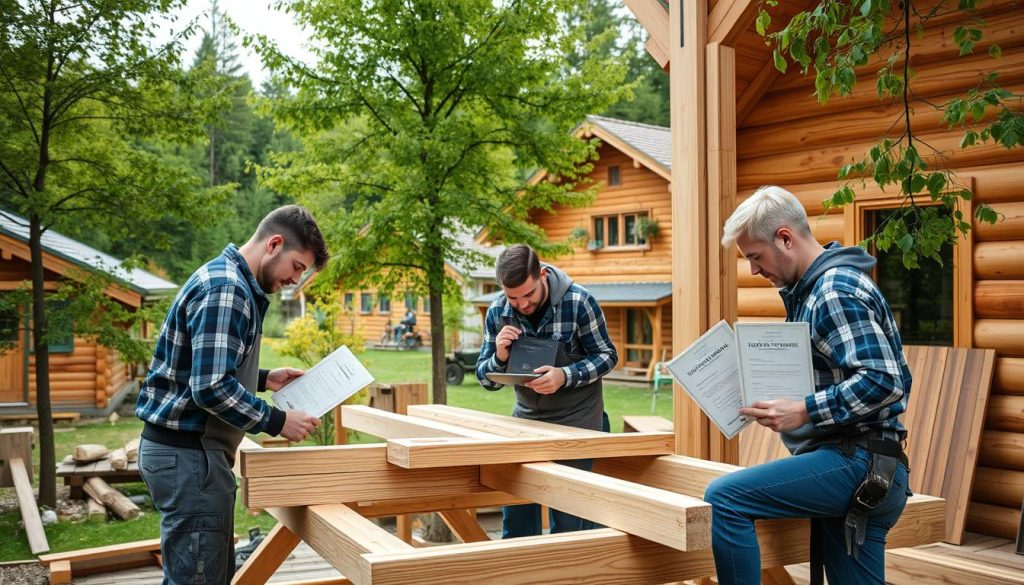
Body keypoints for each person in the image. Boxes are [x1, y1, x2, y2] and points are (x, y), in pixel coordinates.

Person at [705, 186, 912, 585]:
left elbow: (885, 381)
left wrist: (803, 409)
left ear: (785, 238)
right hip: (871, 469)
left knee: (725, 498)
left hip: (857, 463)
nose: (753, 270)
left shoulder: (833, 291)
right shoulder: (815, 291)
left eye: (755, 257)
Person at [135, 205, 330, 585]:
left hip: (188, 454)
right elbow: (209, 387)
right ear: (274, 244)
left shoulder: (227, 280)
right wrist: (277, 421)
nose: (295, 279)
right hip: (189, 455)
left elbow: (199, 367)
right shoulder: (228, 289)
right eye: (296, 267)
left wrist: (263, 378)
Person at [476, 243, 618, 537]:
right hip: (526, 423)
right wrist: (500, 356)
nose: (522, 305)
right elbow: (485, 379)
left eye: (528, 294)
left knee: (569, 523)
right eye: (513, 298)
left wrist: (564, 376)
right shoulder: (498, 311)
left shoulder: (579, 302)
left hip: (578, 424)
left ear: (542, 275)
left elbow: (607, 356)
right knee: (515, 514)